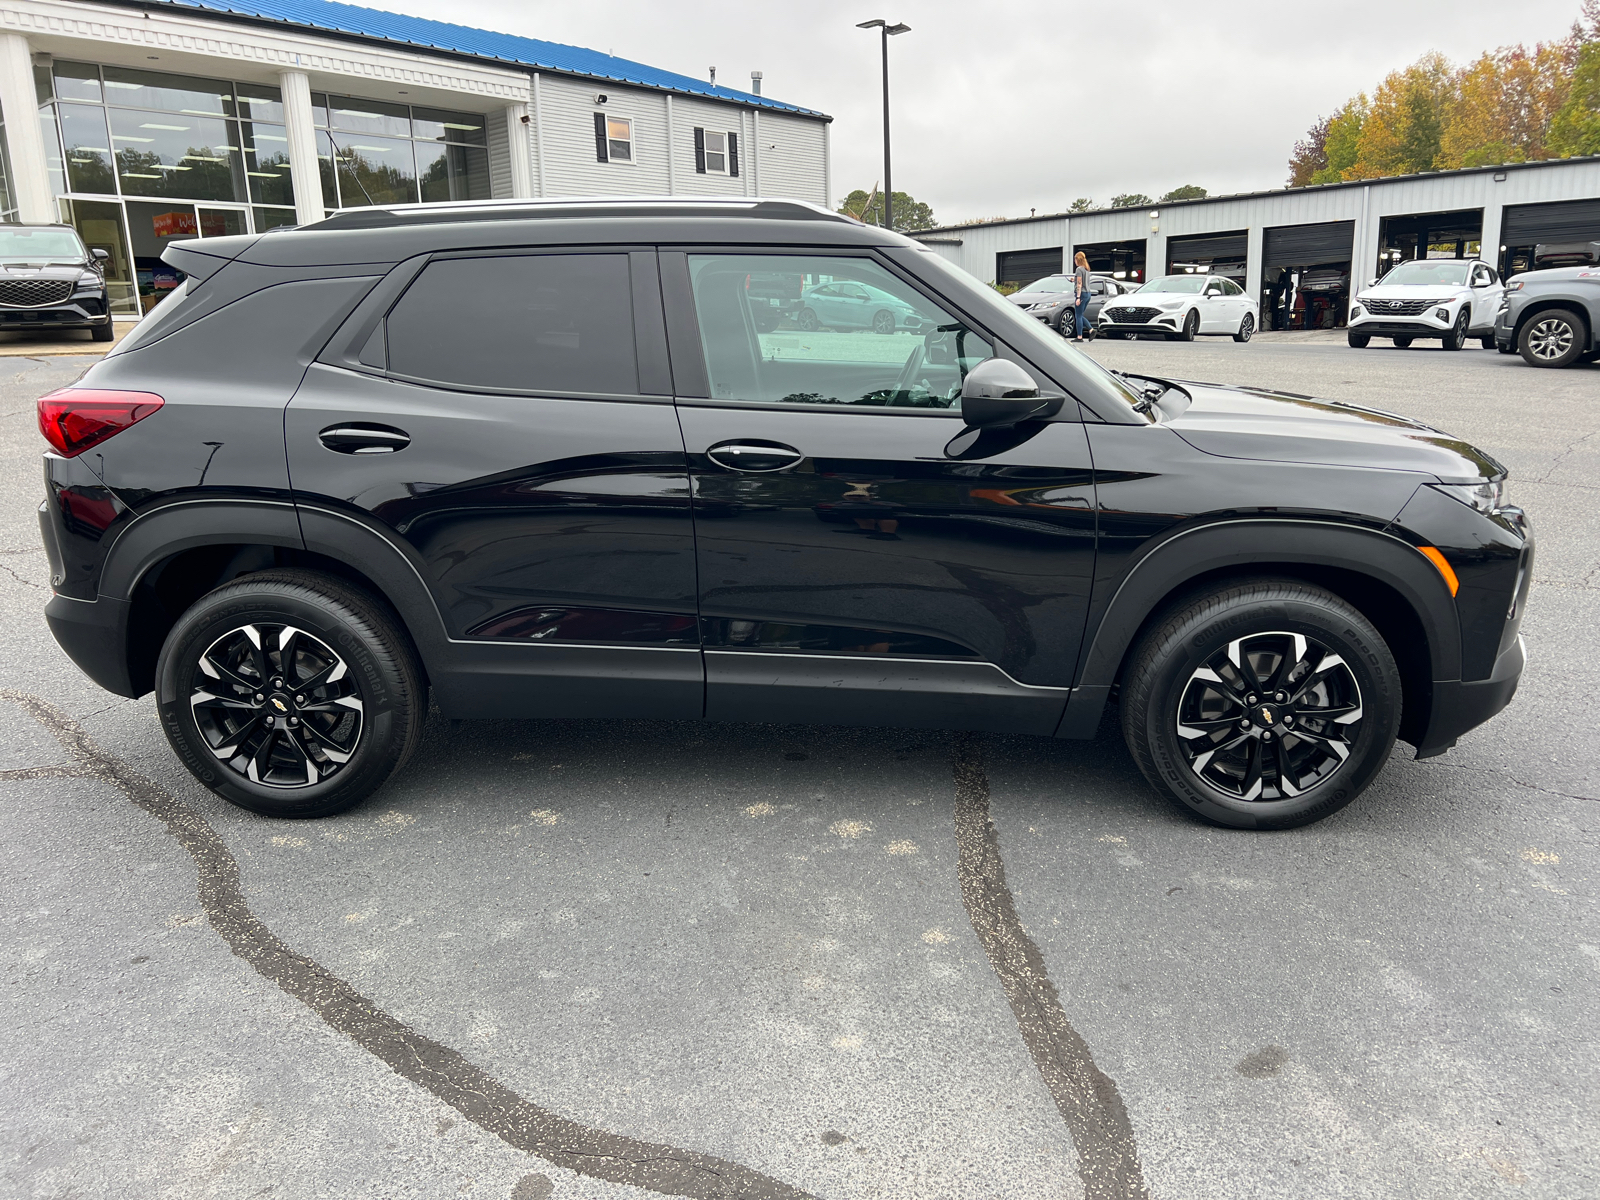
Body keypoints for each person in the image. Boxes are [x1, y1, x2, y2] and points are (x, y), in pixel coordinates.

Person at [1071, 251, 1093, 341]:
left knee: (1078, 315)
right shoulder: (1086, 269)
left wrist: (1078, 297)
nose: (1074, 261)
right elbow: (1081, 280)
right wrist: (1074, 279)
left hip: (1082, 294)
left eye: (1075, 259)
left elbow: (1079, 283)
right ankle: (1091, 330)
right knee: (1080, 314)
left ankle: (1079, 336)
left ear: (1077, 260)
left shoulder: (1079, 269)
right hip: (1088, 293)